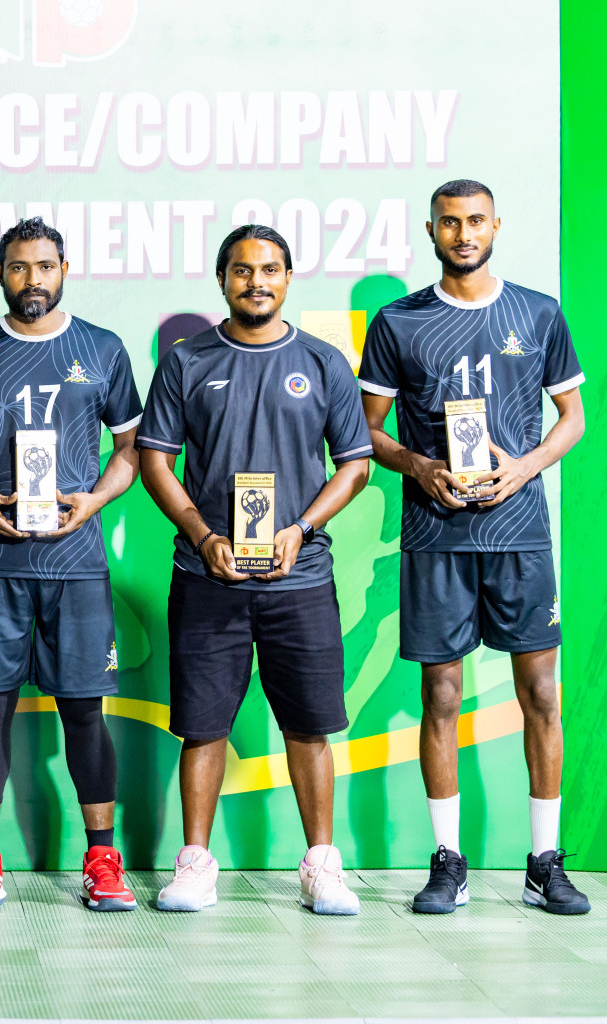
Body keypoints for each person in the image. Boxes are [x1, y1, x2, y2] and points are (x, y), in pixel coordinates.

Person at [358, 179, 590, 915]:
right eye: (450, 222)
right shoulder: (399, 322)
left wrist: (523, 467)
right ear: (431, 229)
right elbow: (367, 432)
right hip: (436, 533)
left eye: (476, 221)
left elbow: (573, 418)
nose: (464, 233)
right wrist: (421, 466)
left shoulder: (537, 313)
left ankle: (543, 861)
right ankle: (447, 861)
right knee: (441, 695)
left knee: (542, 696)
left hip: (519, 531)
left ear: (497, 225)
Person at [137, 224, 371, 915]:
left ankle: (322, 866)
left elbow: (353, 465)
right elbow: (155, 461)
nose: (257, 281)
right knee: (203, 727)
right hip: (208, 576)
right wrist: (204, 535)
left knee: (310, 726)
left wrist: (301, 530)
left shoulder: (324, 362)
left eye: (270, 269)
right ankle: (195, 864)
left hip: (300, 578)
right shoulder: (186, 361)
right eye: (242, 271)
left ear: (289, 278)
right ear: (222, 280)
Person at [0, 218, 143, 913]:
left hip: (76, 560)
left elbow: (129, 452)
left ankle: (102, 858)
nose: (33, 280)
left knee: (84, 712)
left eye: (45, 267)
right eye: (19, 268)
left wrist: (92, 503)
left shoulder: (102, 349)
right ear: (0, 272)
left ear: (65, 268)